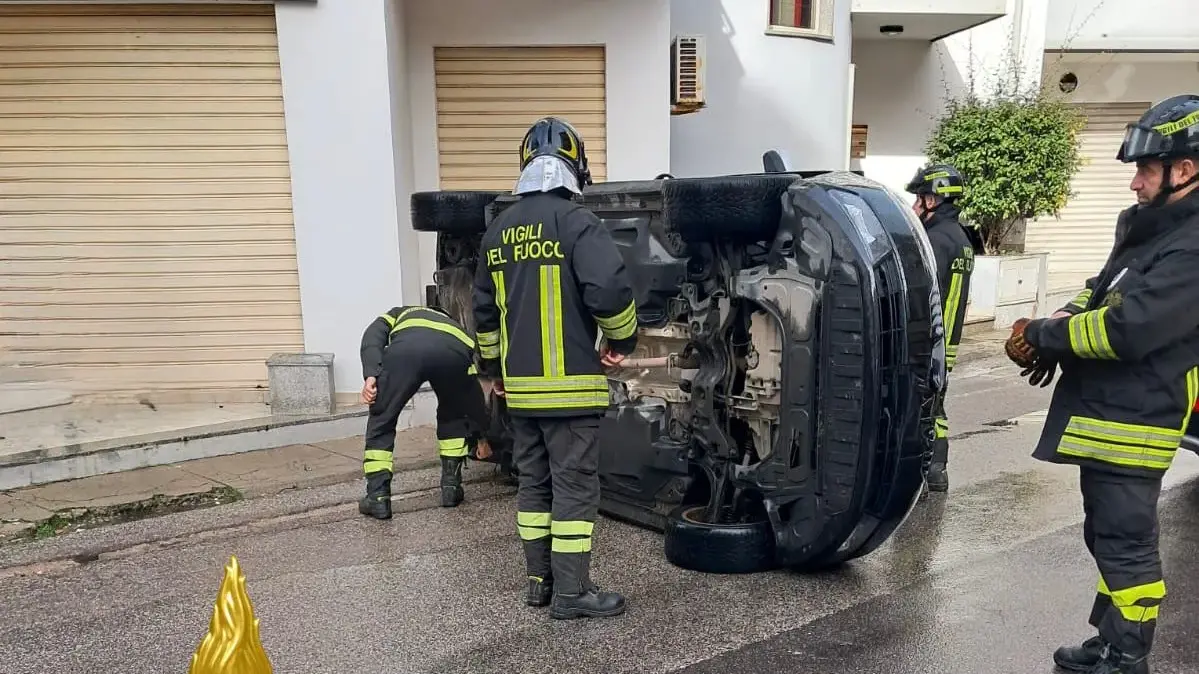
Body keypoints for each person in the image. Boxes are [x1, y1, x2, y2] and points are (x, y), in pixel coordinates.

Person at [1005, 94, 1199, 674]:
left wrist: (1043, 333)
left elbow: (1129, 329)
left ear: (1184, 170)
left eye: (1144, 169)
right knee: (1108, 535)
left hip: (1138, 417)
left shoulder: (1192, 245)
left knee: (1126, 539)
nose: (1135, 184)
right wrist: (1059, 321)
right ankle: (1111, 640)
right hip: (1116, 411)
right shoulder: (1160, 232)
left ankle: (1127, 655)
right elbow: (1104, 292)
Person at [472, 116, 639, 620]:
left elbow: (484, 314)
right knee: (573, 490)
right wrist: (621, 338)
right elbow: (608, 291)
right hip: (570, 394)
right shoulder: (578, 223)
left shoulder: (498, 232)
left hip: (521, 395)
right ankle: (572, 594)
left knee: (534, 485)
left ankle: (538, 583)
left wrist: (494, 367)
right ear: (576, 168)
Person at [357, 304, 493, 520]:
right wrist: (483, 436)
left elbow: (372, 336)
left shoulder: (399, 313)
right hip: (452, 357)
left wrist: (371, 374)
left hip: (405, 353)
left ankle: (378, 498)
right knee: (455, 414)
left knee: (382, 419)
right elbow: (473, 396)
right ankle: (451, 488)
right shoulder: (457, 330)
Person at [905, 163, 977, 492]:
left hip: (929, 340)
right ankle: (937, 470)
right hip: (949, 341)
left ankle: (919, 474)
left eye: (919, 200)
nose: (915, 207)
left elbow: (920, 293)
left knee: (917, 408)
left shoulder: (933, 240)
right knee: (936, 406)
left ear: (933, 201)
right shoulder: (961, 239)